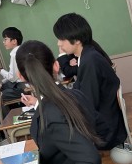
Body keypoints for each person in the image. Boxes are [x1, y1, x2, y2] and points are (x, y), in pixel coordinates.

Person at [16, 40, 101, 164]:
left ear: (21, 77)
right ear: (56, 65)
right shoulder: (73, 95)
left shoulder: (51, 114)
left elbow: (90, 159)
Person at [53, 13, 127, 150]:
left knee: (58, 136)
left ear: (76, 40)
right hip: (105, 121)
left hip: (105, 131)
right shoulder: (87, 55)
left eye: (61, 39)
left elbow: (87, 102)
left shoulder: (90, 61)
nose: (59, 43)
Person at [0, 26, 26, 101]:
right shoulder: (22, 50)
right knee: (1, 87)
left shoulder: (15, 54)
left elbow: (12, 78)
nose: (3, 42)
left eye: (5, 39)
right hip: (23, 84)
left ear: (14, 41)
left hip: (21, 87)